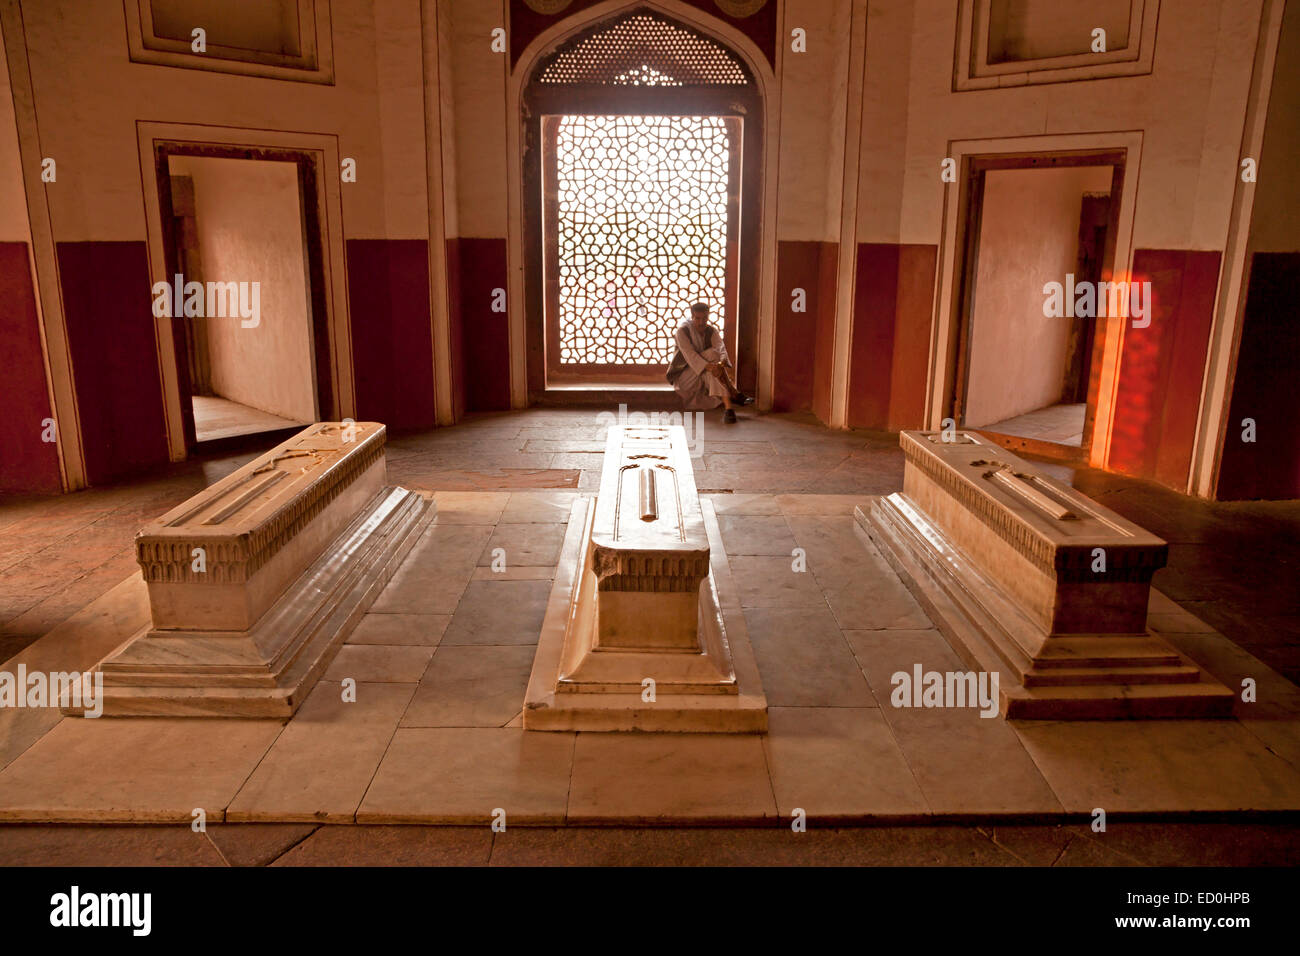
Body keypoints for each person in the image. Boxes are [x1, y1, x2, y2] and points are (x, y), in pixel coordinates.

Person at [665, 302, 753, 423]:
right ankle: (734, 393)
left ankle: (729, 409)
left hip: (704, 374)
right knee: (712, 355)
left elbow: (721, 348)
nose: (701, 322)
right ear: (692, 317)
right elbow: (691, 356)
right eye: (697, 318)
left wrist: (720, 364)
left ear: (708, 316)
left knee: (713, 362)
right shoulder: (682, 332)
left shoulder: (711, 331)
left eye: (704, 318)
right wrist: (713, 366)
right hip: (685, 378)